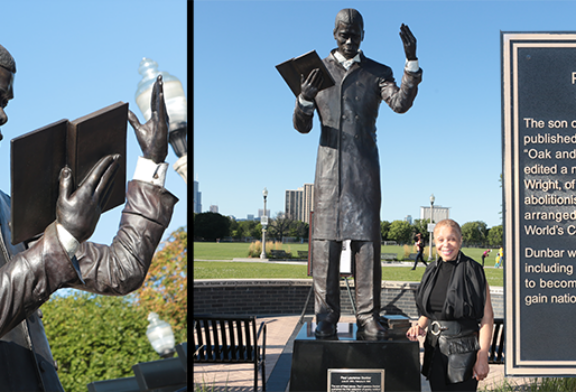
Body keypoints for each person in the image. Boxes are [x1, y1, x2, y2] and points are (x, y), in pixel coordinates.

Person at [0, 44, 178, 391]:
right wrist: (63, 235)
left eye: (5, 103)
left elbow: (121, 269)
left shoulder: (10, 211)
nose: (4, 116)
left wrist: (151, 165)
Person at [292, 8, 422, 338]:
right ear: (333, 33)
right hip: (328, 172)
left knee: (367, 245)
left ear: (364, 35)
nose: (349, 40)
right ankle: (326, 317)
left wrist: (411, 63)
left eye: (355, 34)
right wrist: (304, 100)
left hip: (364, 170)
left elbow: (401, 103)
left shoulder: (377, 71)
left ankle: (368, 317)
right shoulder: (314, 72)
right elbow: (302, 127)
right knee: (325, 246)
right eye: (343, 34)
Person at [406, 219, 493, 392]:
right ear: (435, 243)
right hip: (434, 350)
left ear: (460, 240)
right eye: (440, 240)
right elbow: (431, 310)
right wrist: (420, 326)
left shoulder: (473, 270)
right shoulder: (431, 270)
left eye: (451, 239)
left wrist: (482, 356)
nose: (446, 244)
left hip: (463, 354)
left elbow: (487, 317)